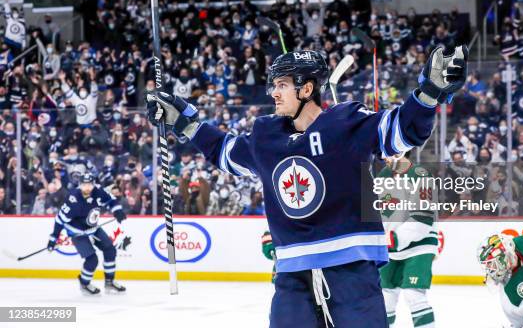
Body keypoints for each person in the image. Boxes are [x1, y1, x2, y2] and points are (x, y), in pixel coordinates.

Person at [147, 45, 468, 327]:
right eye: (274, 85)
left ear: (307, 89)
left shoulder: (347, 123)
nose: (274, 93)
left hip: (352, 271)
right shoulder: (266, 137)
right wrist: (184, 121)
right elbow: (223, 151)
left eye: (283, 85)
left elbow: (403, 129)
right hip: (292, 278)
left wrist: (427, 95)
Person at [377, 152, 438, 328]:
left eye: (388, 155)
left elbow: (423, 219)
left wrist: (395, 238)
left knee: (414, 294)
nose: (385, 159)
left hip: (420, 245)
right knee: (386, 296)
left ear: (400, 152)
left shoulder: (420, 175)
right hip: (391, 248)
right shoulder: (383, 176)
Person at [47, 173, 127, 295]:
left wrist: (118, 211)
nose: (87, 188)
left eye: (90, 184)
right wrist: (53, 238)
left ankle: (109, 282)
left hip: (92, 228)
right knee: (92, 260)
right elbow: (60, 220)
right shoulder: (73, 199)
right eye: (84, 185)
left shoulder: (99, 191)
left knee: (110, 250)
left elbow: (112, 200)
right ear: (80, 185)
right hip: (77, 232)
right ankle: (84, 283)